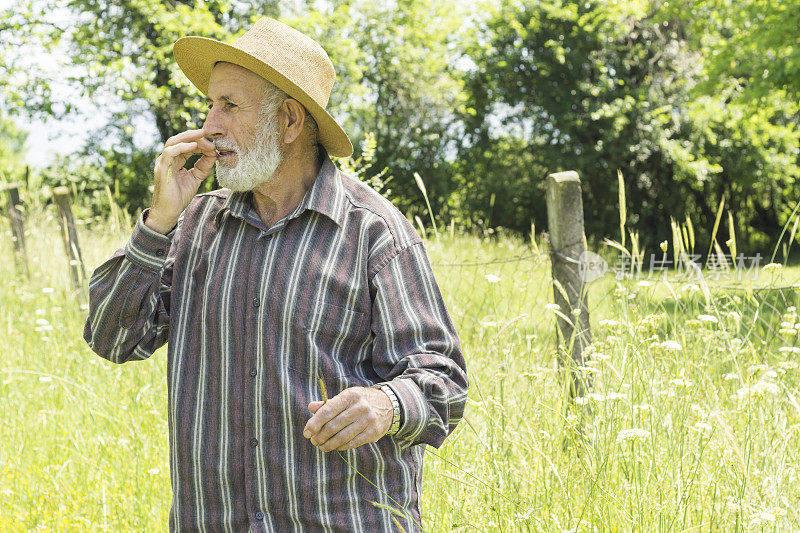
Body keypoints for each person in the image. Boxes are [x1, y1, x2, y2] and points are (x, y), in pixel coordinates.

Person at [83, 16, 468, 532]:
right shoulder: (194, 224)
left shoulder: (374, 233)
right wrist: (159, 222)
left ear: (289, 121)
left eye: (230, 106)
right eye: (211, 104)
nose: (208, 126)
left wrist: (385, 403)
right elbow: (111, 339)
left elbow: (443, 380)